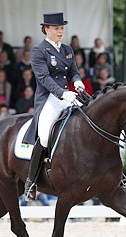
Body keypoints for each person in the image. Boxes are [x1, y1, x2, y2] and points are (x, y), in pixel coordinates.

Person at [23, 12, 85, 200]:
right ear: (46, 29)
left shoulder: (67, 49)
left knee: (92, 120)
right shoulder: (38, 51)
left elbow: (73, 72)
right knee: (43, 136)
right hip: (50, 98)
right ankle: (31, 181)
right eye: (57, 28)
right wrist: (62, 93)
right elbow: (43, 78)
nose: (60, 31)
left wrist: (78, 82)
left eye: (62, 28)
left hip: (69, 95)